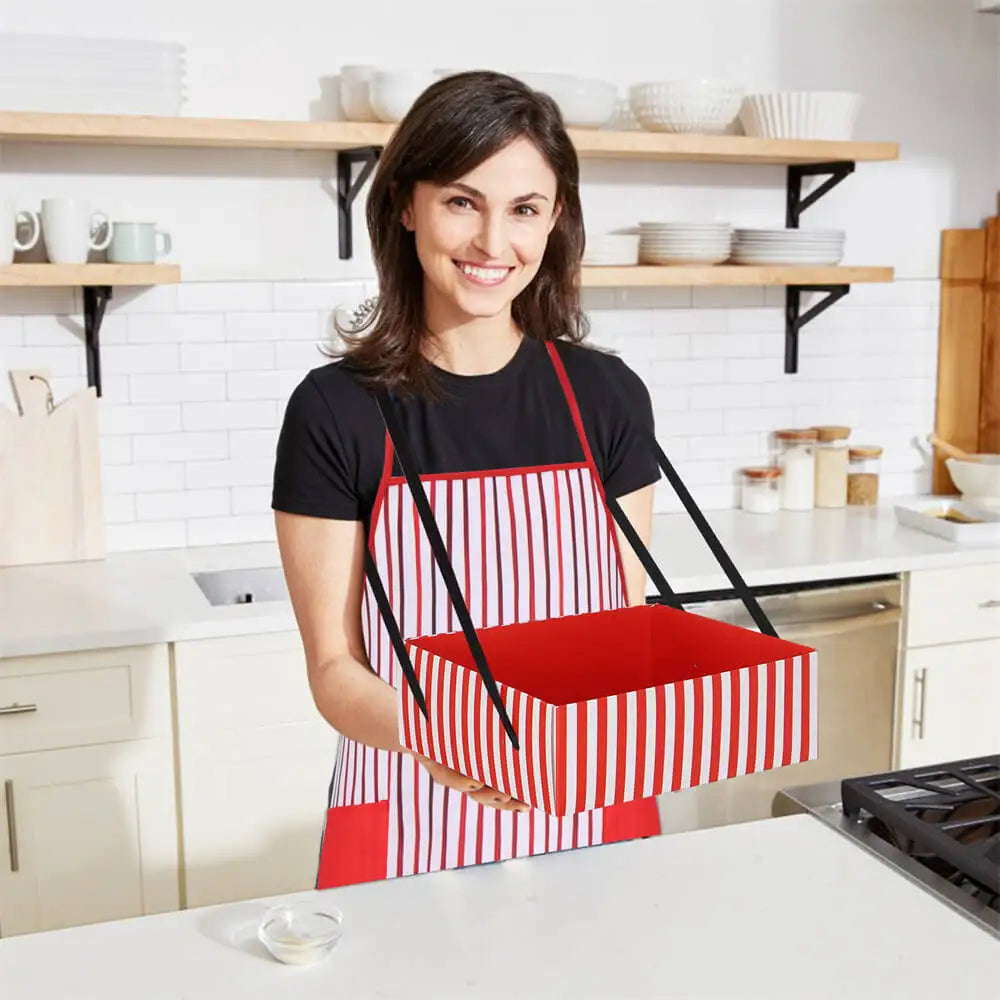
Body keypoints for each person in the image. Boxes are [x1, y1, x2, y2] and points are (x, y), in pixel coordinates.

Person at [271, 70, 662, 889]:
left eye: (524, 209)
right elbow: (336, 672)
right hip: (409, 802)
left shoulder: (607, 396)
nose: (493, 243)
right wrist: (446, 736)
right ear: (406, 205)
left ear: (555, 222)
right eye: (461, 201)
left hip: (592, 803)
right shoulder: (337, 411)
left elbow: (626, 629)